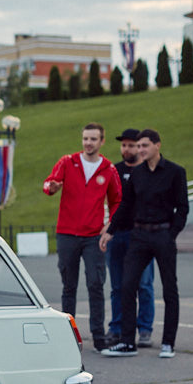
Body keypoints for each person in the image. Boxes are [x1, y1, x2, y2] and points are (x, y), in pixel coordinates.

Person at [100, 129, 189, 359]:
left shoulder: (175, 172)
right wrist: (110, 231)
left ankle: (168, 343)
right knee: (127, 285)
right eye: (138, 146)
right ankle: (128, 342)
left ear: (157, 146)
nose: (140, 150)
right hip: (139, 236)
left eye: (144, 146)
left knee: (169, 289)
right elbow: (126, 205)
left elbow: (183, 207)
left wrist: (172, 234)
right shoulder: (136, 174)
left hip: (163, 235)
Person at [42, 123, 123, 351]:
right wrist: (52, 188)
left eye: (93, 139)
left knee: (95, 284)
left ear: (101, 141)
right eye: (85, 138)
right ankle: (69, 337)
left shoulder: (108, 169)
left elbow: (117, 200)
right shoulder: (68, 162)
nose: (88, 143)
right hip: (66, 233)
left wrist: (110, 226)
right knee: (69, 286)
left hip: (92, 237)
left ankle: (98, 338)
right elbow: (48, 183)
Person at [104, 129, 156, 348]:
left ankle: (144, 329)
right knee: (117, 286)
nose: (126, 149)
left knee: (144, 285)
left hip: (141, 235)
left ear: (141, 147)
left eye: (131, 145)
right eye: (123, 145)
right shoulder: (113, 171)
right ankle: (116, 328)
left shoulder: (148, 171)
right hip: (117, 234)